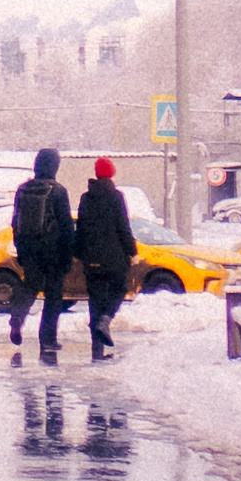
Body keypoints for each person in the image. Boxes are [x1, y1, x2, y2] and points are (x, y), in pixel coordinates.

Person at [9, 146, 75, 358]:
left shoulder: (23, 189)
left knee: (30, 286)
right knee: (53, 295)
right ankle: (48, 340)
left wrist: (20, 248)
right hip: (52, 250)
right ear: (54, 166)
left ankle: (17, 317)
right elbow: (66, 226)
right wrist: (68, 255)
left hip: (29, 248)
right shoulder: (58, 191)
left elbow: (15, 222)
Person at [75, 154, 137, 361]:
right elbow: (123, 227)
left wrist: (79, 252)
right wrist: (132, 250)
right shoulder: (116, 196)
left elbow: (81, 228)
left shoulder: (86, 197)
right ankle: (106, 318)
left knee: (95, 302)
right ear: (111, 174)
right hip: (114, 257)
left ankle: (97, 352)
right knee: (119, 288)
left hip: (91, 259)